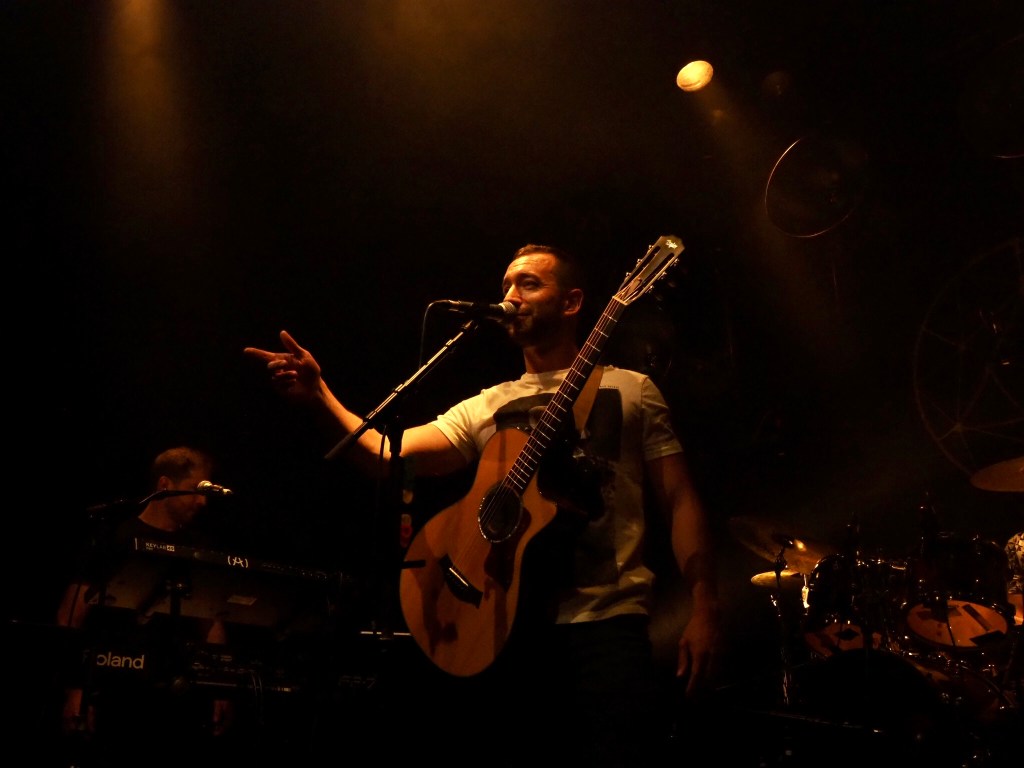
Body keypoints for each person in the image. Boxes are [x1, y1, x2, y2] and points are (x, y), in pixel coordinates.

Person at [243, 243, 722, 766]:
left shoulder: (632, 390)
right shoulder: (488, 404)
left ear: (571, 301)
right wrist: (319, 394)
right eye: (506, 286)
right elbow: (384, 454)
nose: (511, 296)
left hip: (608, 623)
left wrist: (704, 606)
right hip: (502, 628)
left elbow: (680, 499)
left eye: (529, 284)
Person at [55, 446, 236, 767]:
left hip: (175, 698)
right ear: (164, 484)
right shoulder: (114, 538)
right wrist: (75, 690)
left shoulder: (199, 548)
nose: (202, 502)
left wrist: (220, 688)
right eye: (196, 490)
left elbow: (211, 622)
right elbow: (70, 617)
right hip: (111, 690)